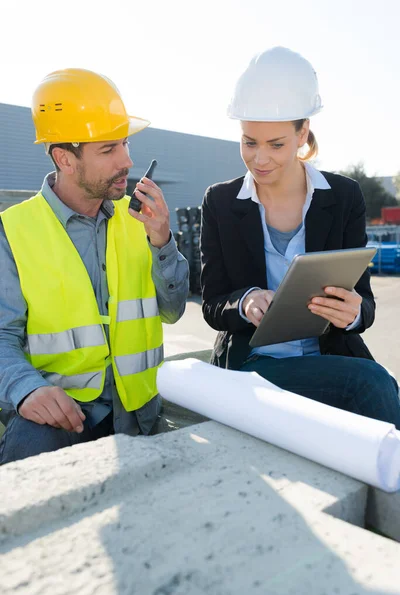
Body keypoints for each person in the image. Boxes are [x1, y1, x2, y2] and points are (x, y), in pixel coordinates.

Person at [200, 47, 400, 428]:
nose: (259, 159)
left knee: (383, 385)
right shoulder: (221, 202)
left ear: (302, 133)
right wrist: (245, 302)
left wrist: (353, 311)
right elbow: (211, 304)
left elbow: (366, 303)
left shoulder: (343, 197)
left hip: (326, 358)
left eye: (275, 144)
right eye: (249, 142)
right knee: (373, 384)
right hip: (253, 365)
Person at [0, 68, 189, 464]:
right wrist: (27, 389)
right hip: (61, 422)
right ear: (65, 159)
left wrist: (163, 242)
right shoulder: (12, 232)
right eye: (108, 150)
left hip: (139, 416)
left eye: (123, 143)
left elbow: (172, 312)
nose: (127, 161)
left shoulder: (141, 221)